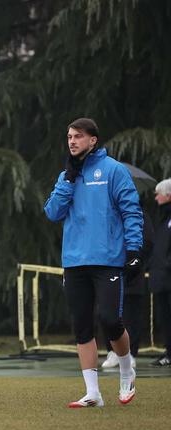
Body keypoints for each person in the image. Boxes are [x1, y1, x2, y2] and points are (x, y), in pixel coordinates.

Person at [44, 118, 142, 407]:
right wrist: (69, 180)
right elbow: (52, 212)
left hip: (108, 260)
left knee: (110, 321)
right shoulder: (67, 175)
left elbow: (131, 212)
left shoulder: (114, 171)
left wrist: (134, 250)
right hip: (74, 261)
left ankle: (127, 371)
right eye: (69, 136)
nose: (72, 141)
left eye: (78, 136)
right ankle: (93, 393)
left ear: (93, 140)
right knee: (82, 326)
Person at [101, 210, 153, 369]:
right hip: (109, 270)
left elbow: (148, 242)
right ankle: (112, 351)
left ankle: (130, 353)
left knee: (132, 316)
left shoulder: (140, 214)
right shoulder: (106, 211)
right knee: (107, 313)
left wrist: (135, 261)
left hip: (132, 274)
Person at [148, 178, 171, 366]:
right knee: (165, 317)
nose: (156, 198)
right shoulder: (163, 219)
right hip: (162, 279)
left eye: (159, 194)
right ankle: (169, 352)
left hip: (167, 277)